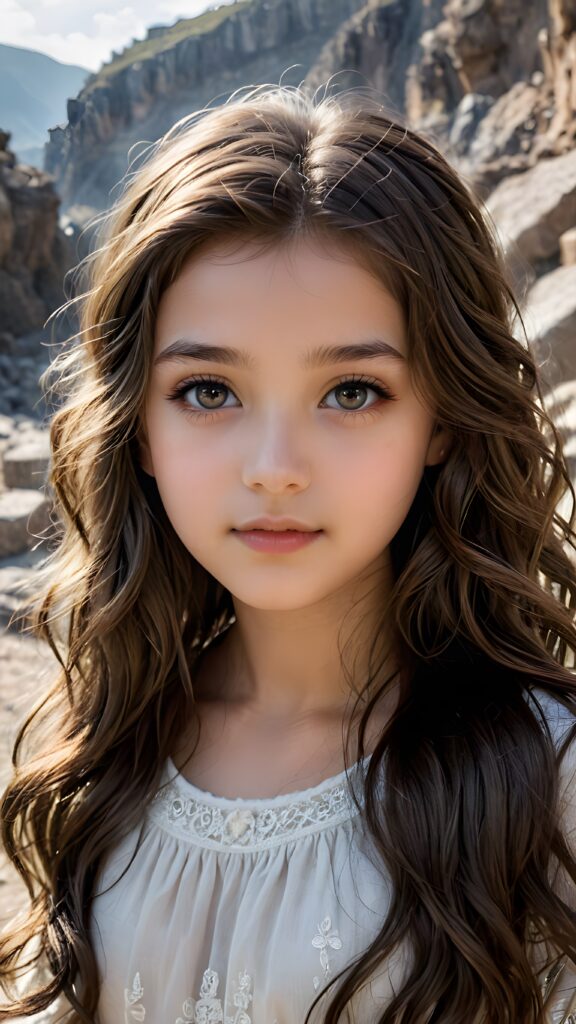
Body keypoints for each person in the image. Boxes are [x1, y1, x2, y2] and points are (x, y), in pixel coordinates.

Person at [1, 81, 576, 1024]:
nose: (275, 470)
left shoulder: (546, 780)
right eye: (208, 391)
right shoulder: (110, 746)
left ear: (443, 417)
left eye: (352, 391)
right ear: (137, 426)